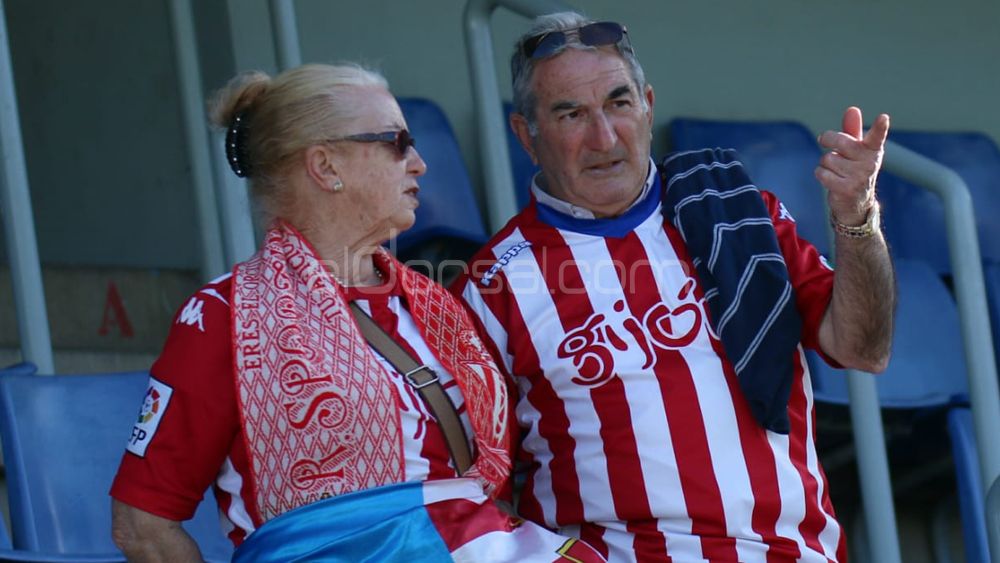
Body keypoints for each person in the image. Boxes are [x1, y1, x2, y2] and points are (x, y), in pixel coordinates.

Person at [110, 63, 605, 562]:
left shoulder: (438, 304)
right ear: (326, 167)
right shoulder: (224, 316)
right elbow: (143, 525)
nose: (418, 163)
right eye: (395, 143)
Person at [451, 12, 895, 563]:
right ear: (527, 134)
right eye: (571, 114)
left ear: (648, 106)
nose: (604, 137)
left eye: (619, 103)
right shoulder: (491, 285)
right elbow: (472, 485)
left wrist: (857, 217)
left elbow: (864, 348)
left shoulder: (738, 213)